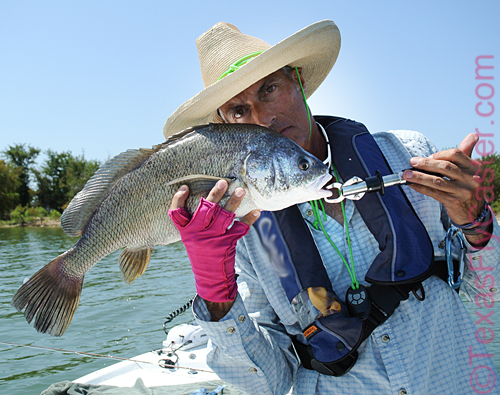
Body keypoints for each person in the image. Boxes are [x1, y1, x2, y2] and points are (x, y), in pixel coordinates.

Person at [164, 20, 500, 394]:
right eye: (240, 111)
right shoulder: (244, 230)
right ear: (228, 127)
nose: (263, 119)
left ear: (299, 80)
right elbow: (266, 384)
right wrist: (216, 296)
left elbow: (492, 291)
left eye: (270, 89)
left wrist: (477, 220)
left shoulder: (409, 155)